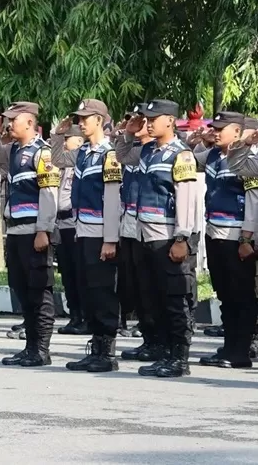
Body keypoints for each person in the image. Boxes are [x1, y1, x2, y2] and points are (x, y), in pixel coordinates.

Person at [116, 99, 197, 377]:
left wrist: (182, 237)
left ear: (170, 120)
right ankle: (162, 350)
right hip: (143, 236)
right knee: (152, 297)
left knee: (174, 299)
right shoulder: (147, 150)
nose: (148, 123)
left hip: (167, 236)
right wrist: (129, 132)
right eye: (146, 118)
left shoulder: (181, 155)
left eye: (154, 118)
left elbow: (186, 198)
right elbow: (122, 156)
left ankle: (179, 358)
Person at [0, 102, 59, 367]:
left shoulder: (43, 153)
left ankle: (41, 349)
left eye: (12, 120)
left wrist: (43, 229)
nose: (8, 125)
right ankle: (29, 346)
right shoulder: (15, 150)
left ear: (29, 123)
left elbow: (49, 194)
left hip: (34, 230)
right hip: (16, 229)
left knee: (39, 291)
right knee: (23, 289)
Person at [51, 99, 122, 373]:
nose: (80, 123)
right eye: (79, 119)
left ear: (100, 121)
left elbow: (113, 199)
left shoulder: (110, 154)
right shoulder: (83, 153)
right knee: (88, 289)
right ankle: (96, 345)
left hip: (100, 232)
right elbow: (57, 158)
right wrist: (59, 134)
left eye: (85, 118)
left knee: (103, 291)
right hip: (82, 230)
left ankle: (107, 351)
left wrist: (110, 239)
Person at [196, 112, 258, 368]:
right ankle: (229, 346)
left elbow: (253, 201)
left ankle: (241, 351)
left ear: (237, 131)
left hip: (236, 236)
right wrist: (204, 141)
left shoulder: (248, 161)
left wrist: (247, 238)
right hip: (214, 233)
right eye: (214, 127)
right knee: (225, 294)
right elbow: (189, 157)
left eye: (222, 128)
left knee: (241, 295)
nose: (216, 132)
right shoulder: (212, 155)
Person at [114, 105, 158, 358]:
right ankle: (148, 338)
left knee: (153, 286)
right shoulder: (137, 152)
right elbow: (120, 155)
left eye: (142, 120)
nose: (138, 123)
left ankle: (160, 340)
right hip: (129, 223)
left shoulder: (157, 153)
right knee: (136, 285)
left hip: (152, 226)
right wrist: (128, 134)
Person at [55, 125, 86, 335]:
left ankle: (85, 316)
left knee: (80, 273)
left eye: (68, 138)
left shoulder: (80, 163)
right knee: (67, 274)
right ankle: (75, 316)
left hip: (76, 224)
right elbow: (56, 156)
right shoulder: (62, 166)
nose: (65, 142)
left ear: (80, 142)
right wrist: (56, 135)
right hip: (61, 224)